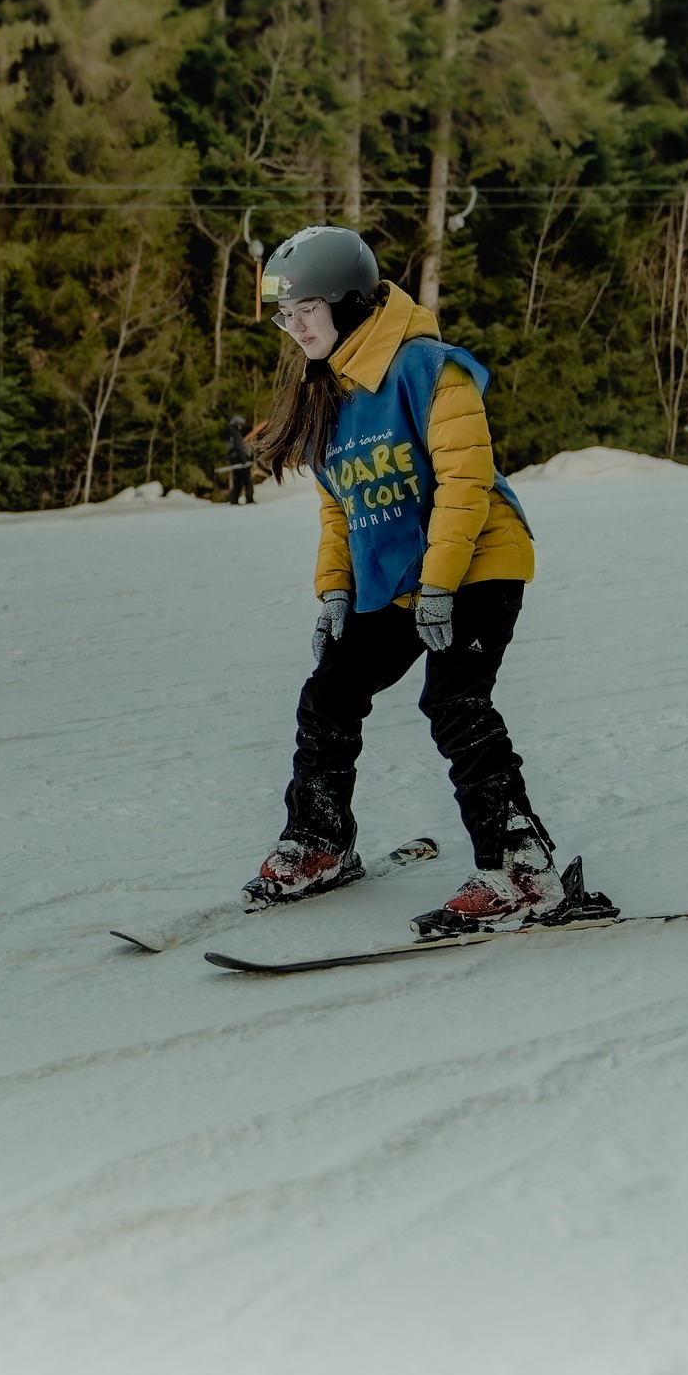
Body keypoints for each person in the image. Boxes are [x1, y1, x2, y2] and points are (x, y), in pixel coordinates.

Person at [245, 225, 565, 938]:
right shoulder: (326, 391)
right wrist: (335, 590)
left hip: (477, 560)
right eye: (286, 316)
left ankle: (521, 870)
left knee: (455, 700)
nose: (296, 328)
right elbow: (339, 506)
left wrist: (441, 586)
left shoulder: (429, 369)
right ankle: (320, 841)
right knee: (330, 693)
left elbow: (465, 482)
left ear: (352, 302)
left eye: (307, 310)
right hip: (396, 575)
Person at [223, 414, 256, 504]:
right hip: (240, 461)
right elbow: (239, 447)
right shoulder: (235, 433)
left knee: (237, 480)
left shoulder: (228, 432)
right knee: (247, 480)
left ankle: (234, 500)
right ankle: (249, 499)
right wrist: (244, 460)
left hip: (233, 460)